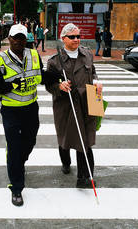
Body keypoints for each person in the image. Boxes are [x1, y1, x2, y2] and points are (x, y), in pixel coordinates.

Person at [0, 24, 59, 207]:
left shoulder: (33, 55)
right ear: (8, 39)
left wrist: (58, 78)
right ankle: (16, 187)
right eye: (15, 37)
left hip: (31, 108)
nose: (18, 40)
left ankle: (17, 162)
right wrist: (11, 85)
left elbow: (39, 76)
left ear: (27, 39)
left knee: (30, 142)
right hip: (11, 110)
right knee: (14, 147)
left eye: (22, 38)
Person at [45, 23, 103, 188]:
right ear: (63, 39)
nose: (76, 39)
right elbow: (49, 85)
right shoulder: (55, 61)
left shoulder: (86, 54)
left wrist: (97, 82)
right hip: (66, 107)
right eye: (72, 37)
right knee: (65, 139)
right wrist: (59, 87)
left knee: (84, 141)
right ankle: (65, 162)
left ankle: (85, 178)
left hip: (86, 103)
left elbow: (92, 72)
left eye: (78, 36)